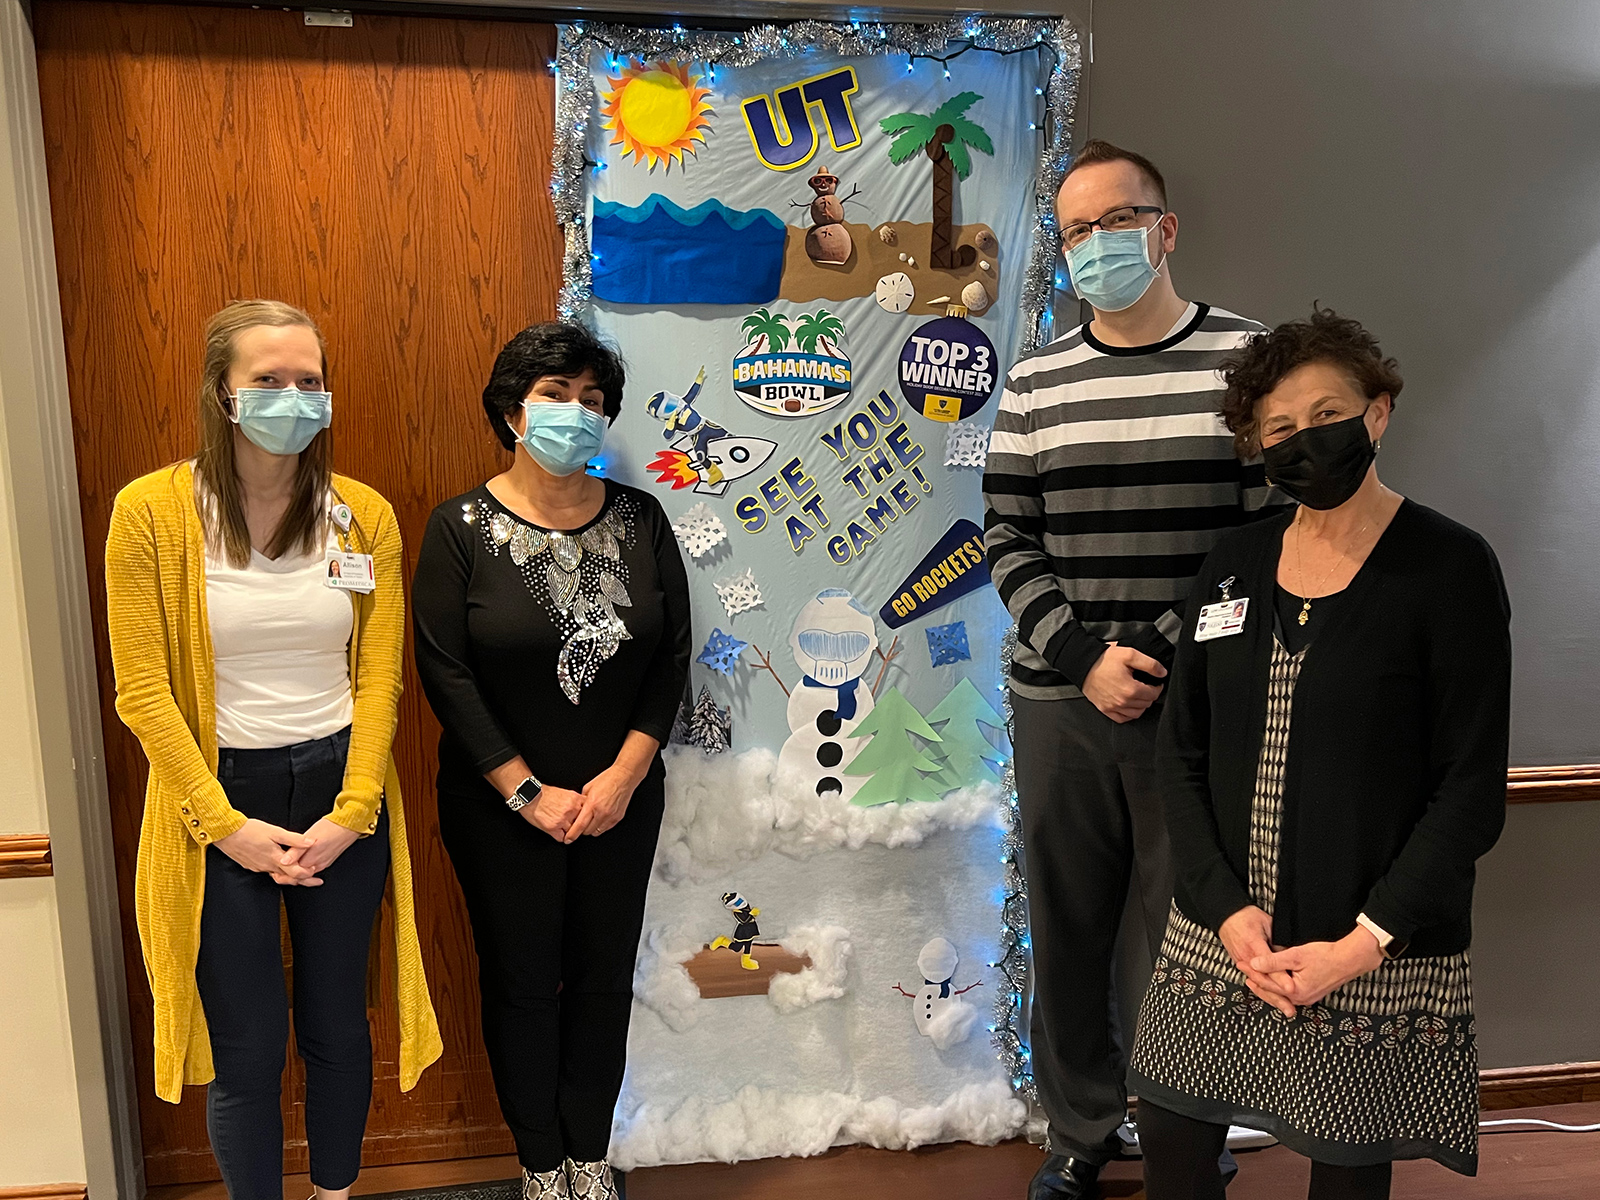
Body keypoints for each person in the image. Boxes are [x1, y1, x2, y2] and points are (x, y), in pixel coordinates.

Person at [1129, 309, 1511, 1200]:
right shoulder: (1230, 566)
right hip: (1222, 934)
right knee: (1174, 1143)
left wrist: (1363, 942)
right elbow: (1180, 753)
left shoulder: (1448, 569)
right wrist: (1224, 909)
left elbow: (1468, 790)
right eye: (1280, 431)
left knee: (1345, 1170)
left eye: (1327, 415)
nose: (1307, 442)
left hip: (1366, 940)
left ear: (1378, 413)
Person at [983, 139, 1285, 1199]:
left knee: (1186, 935)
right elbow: (1004, 537)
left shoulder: (1250, 361)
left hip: (1194, 707)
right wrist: (1080, 653)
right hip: (1056, 701)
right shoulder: (1036, 379)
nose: (1095, 246)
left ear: (1164, 227)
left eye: (1117, 222)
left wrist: (1152, 646)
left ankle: (1181, 1140)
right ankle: (1078, 1133)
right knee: (1067, 931)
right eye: (1075, 231)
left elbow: (1269, 532)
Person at [105, 300, 442, 1200]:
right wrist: (225, 826)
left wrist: (354, 810)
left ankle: (335, 1195)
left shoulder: (360, 515)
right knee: (247, 1050)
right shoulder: (150, 512)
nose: (293, 397)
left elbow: (380, 678)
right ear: (223, 393)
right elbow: (142, 692)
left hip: (342, 791)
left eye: (310, 381)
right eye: (268, 380)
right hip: (216, 802)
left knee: (338, 1027)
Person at [413, 322, 691, 1200]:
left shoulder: (643, 519)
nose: (576, 415)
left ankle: (589, 1155)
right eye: (555, 397)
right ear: (511, 412)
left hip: (621, 801)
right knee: (524, 983)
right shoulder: (458, 526)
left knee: (604, 981)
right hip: (500, 806)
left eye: (593, 401)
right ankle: (539, 1163)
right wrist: (525, 790)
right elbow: (446, 673)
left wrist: (621, 779)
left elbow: (672, 658)